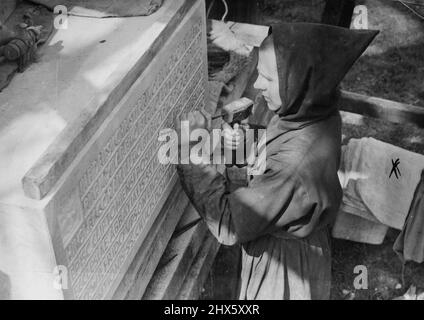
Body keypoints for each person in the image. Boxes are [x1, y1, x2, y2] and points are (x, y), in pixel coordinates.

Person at [175, 23, 378, 300]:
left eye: (268, 79)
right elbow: (272, 154)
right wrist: (245, 146)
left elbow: (229, 224)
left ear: (297, 83)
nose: (257, 86)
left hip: (283, 270)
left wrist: (190, 153)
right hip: (292, 245)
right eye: (259, 73)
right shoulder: (313, 109)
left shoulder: (294, 167)